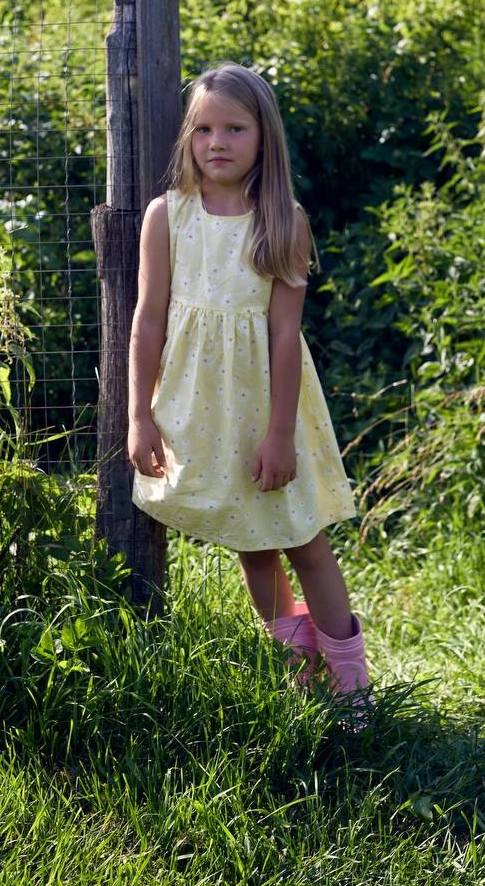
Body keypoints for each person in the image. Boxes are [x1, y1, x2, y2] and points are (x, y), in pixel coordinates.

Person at [127, 63, 368, 696]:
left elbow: (285, 335)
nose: (217, 143)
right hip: (208, 414)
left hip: (268, 414)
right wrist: (139, 415)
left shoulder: (281, 220)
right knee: (252, 542)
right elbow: (148, 321)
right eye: (203, 129)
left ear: (264, 137)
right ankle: (301, 676)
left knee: (304, 541)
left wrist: (280, 435)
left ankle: (353, 691)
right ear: (188, 137)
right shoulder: (168, 216)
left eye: (234, 128)